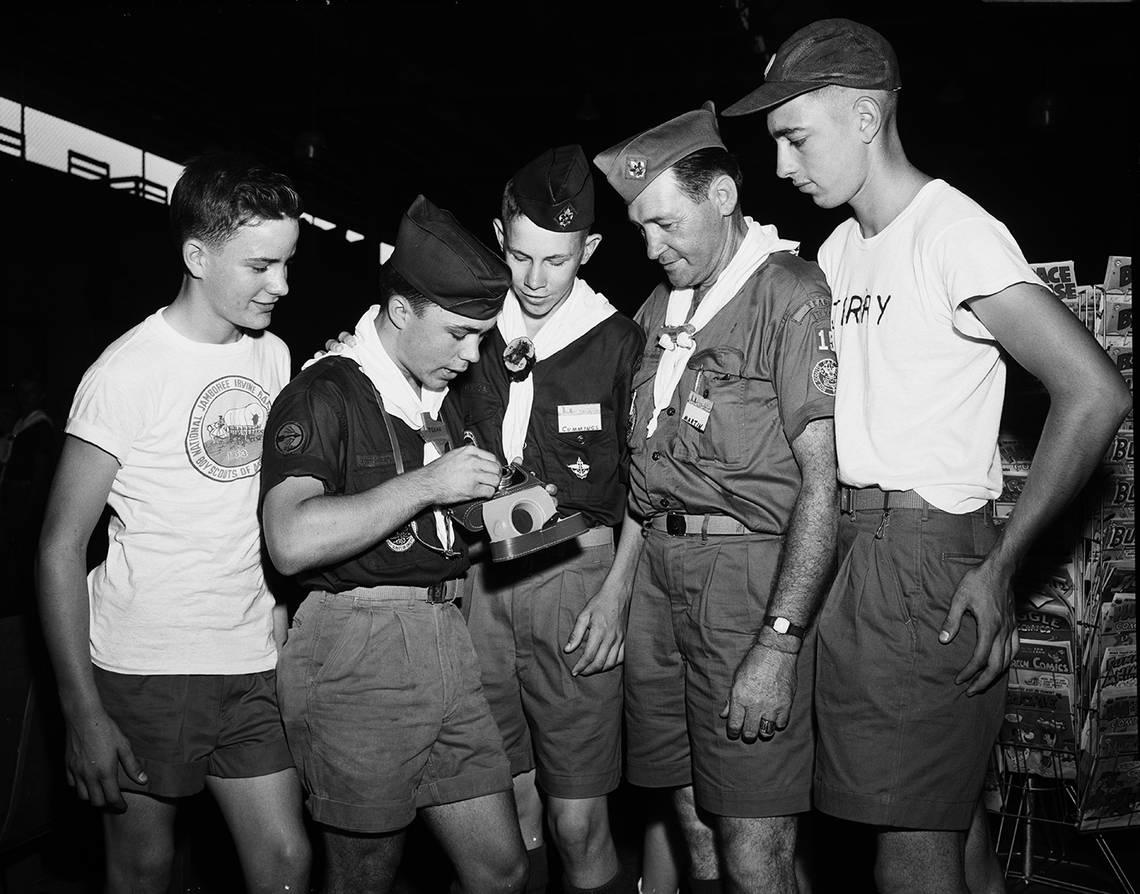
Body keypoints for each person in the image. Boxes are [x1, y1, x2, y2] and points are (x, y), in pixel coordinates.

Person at [722, 18, 1133, 894]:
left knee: (908, 843)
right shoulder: (838, 248)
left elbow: (1094, 392)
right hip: (851, 555)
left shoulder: (954, 232)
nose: (785, 167)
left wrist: (1003, 566)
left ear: (867, 117)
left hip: (921, 553)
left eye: (797, 138)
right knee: (943, 820)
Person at [36, 153, 310, 893]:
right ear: (198, 255)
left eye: (286, 264)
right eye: (260, 266)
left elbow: (269, 502)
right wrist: (81, 711)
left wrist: (281, 602)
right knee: (145, 869)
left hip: (251, 656)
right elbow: (61, 545)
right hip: (146, 665)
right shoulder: (125, 372)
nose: (280, 285)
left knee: (286, 863)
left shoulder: (274, 353)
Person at [593, 104, 839, 893]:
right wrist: (618, 587)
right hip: (658, 582)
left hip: (742, 584)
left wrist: (778, 642)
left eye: (665, 223)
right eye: (640, 230)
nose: (652, 246)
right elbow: (646, 477)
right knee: (693, 820)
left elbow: (820, 484)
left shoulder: (787, 292)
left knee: (753, 838)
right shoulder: (656, 310)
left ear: (724, 197)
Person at [259, 194, 528, 894]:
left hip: (445, 633)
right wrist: (430, 484)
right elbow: (288, 539)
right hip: (360, 645)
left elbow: (440, 527)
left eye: (481, 337)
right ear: (402, 311)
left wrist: (508, 514)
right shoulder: (326, 392)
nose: (471, 357)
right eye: (459, 334)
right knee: (365, 875)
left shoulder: (429, 397)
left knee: (502, 869)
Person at [453, 145, 645, 894]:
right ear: (500, 237)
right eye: (522, 256)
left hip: (576, 584)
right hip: (485, 584)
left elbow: (648, 489)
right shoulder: (468, 329)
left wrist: (616, 596)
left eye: (556, 261)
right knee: (508, 809)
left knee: (576, 822)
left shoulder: (619, 342)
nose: (534, 281)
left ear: (588, 251)